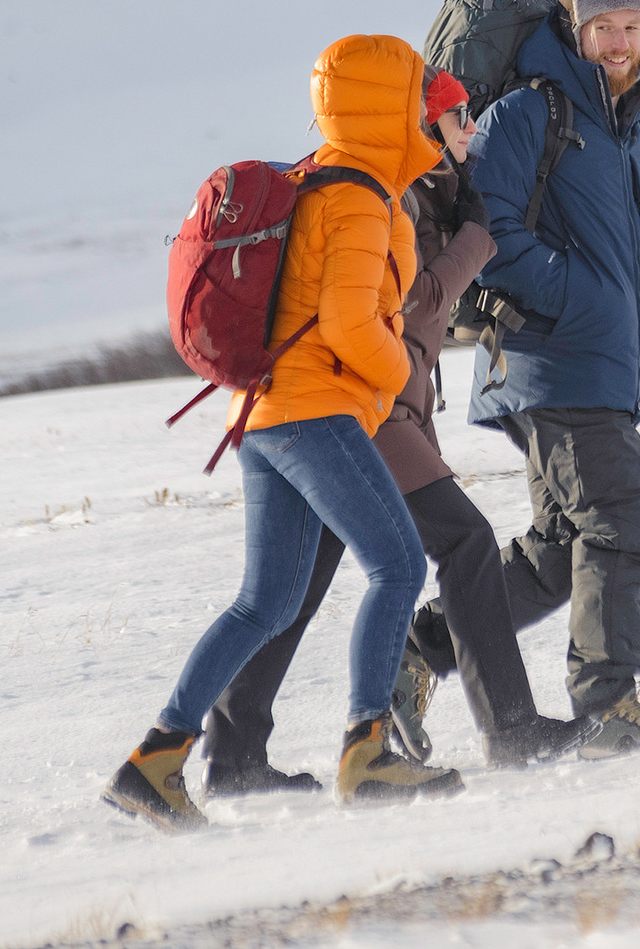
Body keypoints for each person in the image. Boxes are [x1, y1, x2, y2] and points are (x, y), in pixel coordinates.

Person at [102, 34, 460, 830]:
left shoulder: (323, 180)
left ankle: (154, 762)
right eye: (415, 94)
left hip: (261, 411)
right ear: (390, 106)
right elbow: (345, 320)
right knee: (398, 567)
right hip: (309, 410)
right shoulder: (361, 196)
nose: (426, 111)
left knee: (266, 601)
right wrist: (400, 372)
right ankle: (367, 754)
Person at [197, 70, 585, 793]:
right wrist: (478, 241)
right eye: (457, 117)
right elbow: (406, 306)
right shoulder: (392, 198)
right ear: (424, 129)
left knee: (299, 586)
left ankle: (233, 755)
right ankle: (511, 726)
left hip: (373, 409)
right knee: (464, 542)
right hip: (358, 408)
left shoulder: (426, 193)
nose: (470, 130)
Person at [439, 0, 640, 756]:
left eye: (631, 27)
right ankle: (607, 704)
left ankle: (414, 657)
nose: (618, 42)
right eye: (602, 27)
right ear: (576, 30)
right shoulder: (533, 113)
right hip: (549, 361)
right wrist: (577, 296)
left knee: (564, 554)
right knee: (624, 522)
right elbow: (485, 235)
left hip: (602, 373)